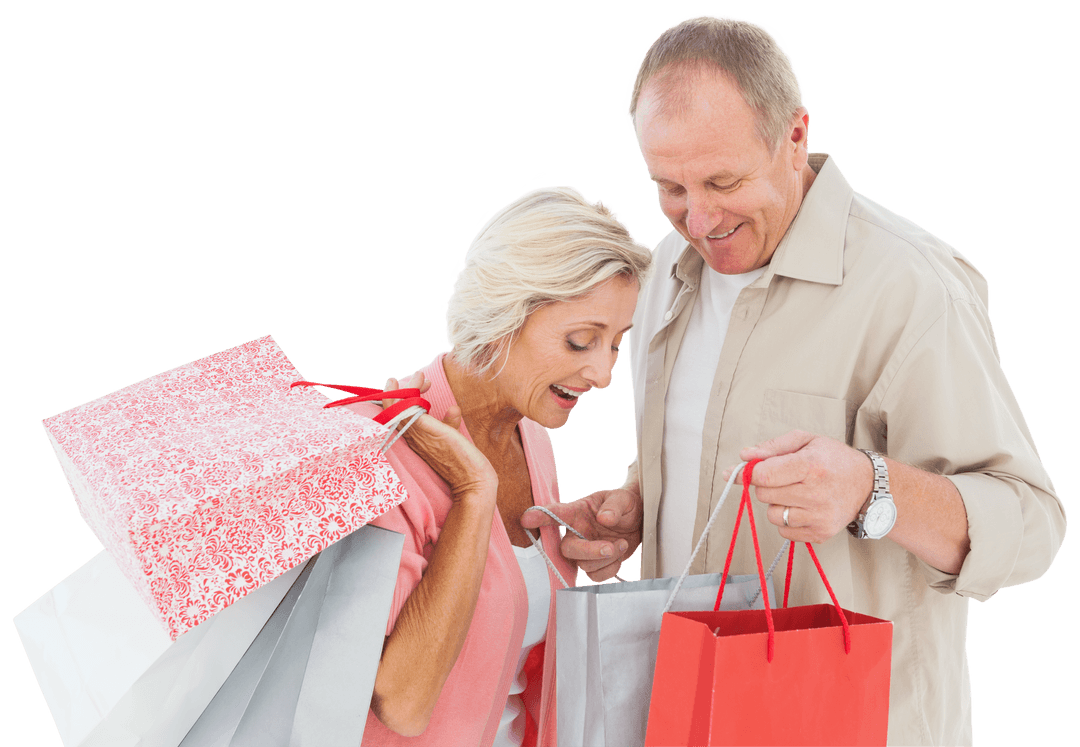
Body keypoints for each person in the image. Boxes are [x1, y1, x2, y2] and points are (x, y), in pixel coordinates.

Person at [522, 15, 1067, 746]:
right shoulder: (665, 277)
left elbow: (1030, 523)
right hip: (686, 716)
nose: (701, 218)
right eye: (670, 186)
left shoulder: (910, 288)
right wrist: (641, 503)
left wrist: (869, 489)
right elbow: (707, 436)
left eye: (723, 180)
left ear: (796, 135)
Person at [349, 185, 651, 746]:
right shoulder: (384, 457)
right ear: (503, 314)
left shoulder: (530, 434)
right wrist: (472, 491)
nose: (604, 374)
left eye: (615, 343)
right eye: (580, 340)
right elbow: (403, 704)